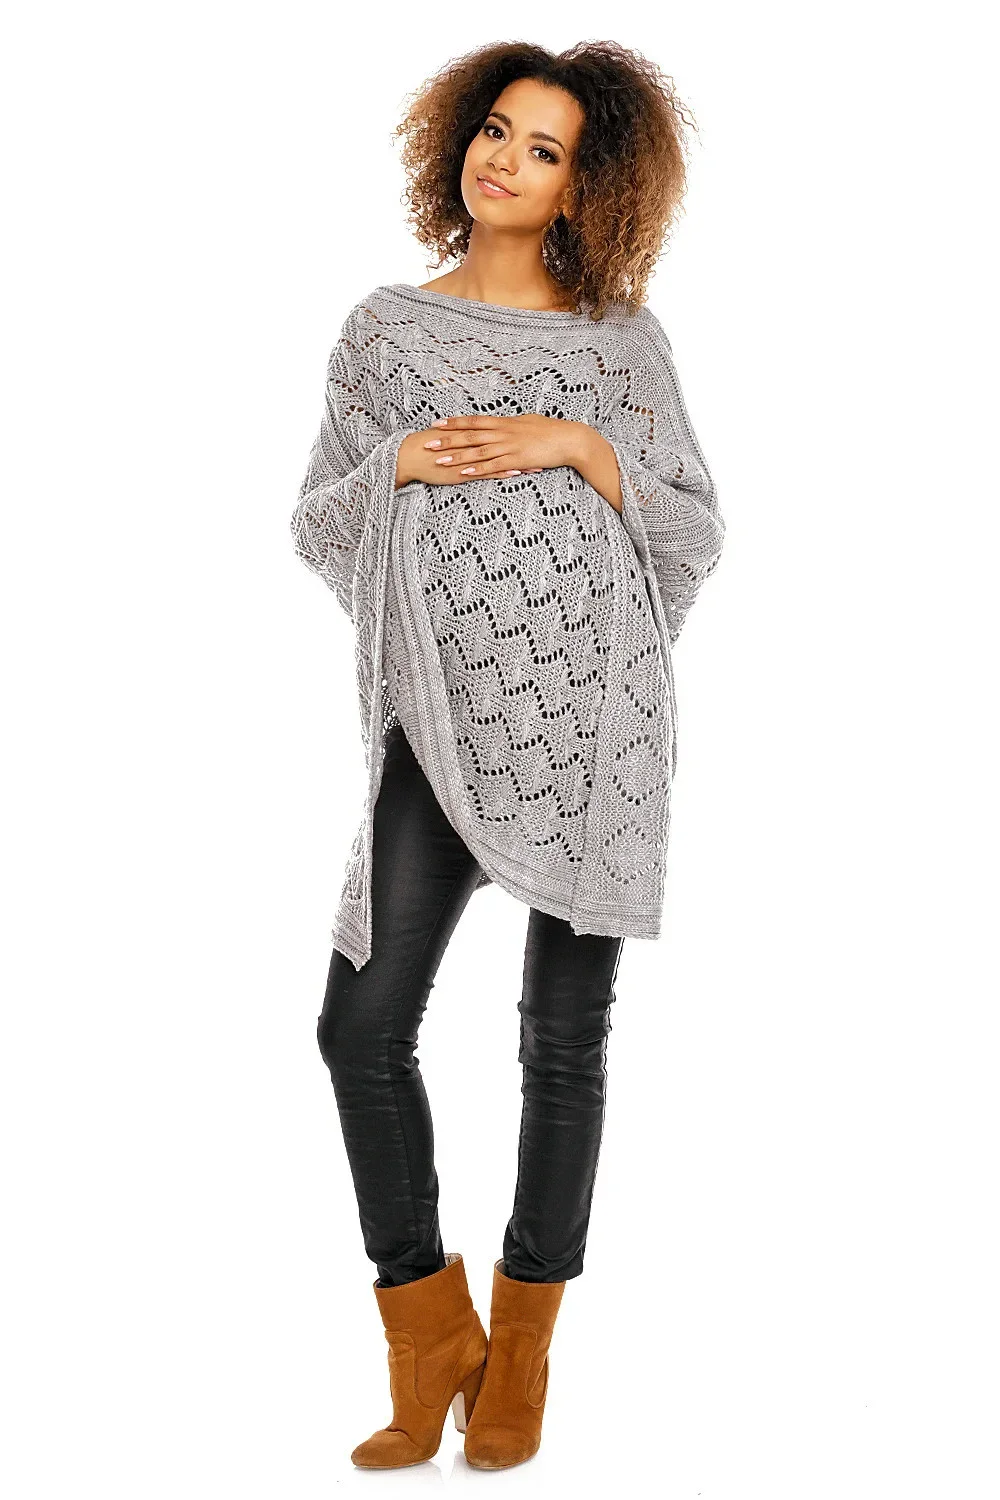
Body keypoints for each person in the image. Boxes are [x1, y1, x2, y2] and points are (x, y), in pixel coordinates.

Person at [290, 39, 725, 1471]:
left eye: (545, 149)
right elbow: (316, 520)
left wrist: (580, 447)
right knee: (361, 1028)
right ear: (457, 142)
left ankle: (525, 1346)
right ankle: (431, 1333)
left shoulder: (621, 345)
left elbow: (691, 527)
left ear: (584, 186)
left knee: (562, 1040)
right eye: (495, 130)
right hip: (437, 725)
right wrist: (399, 465)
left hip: (594, 726)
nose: (507, 161)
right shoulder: (386, 331)